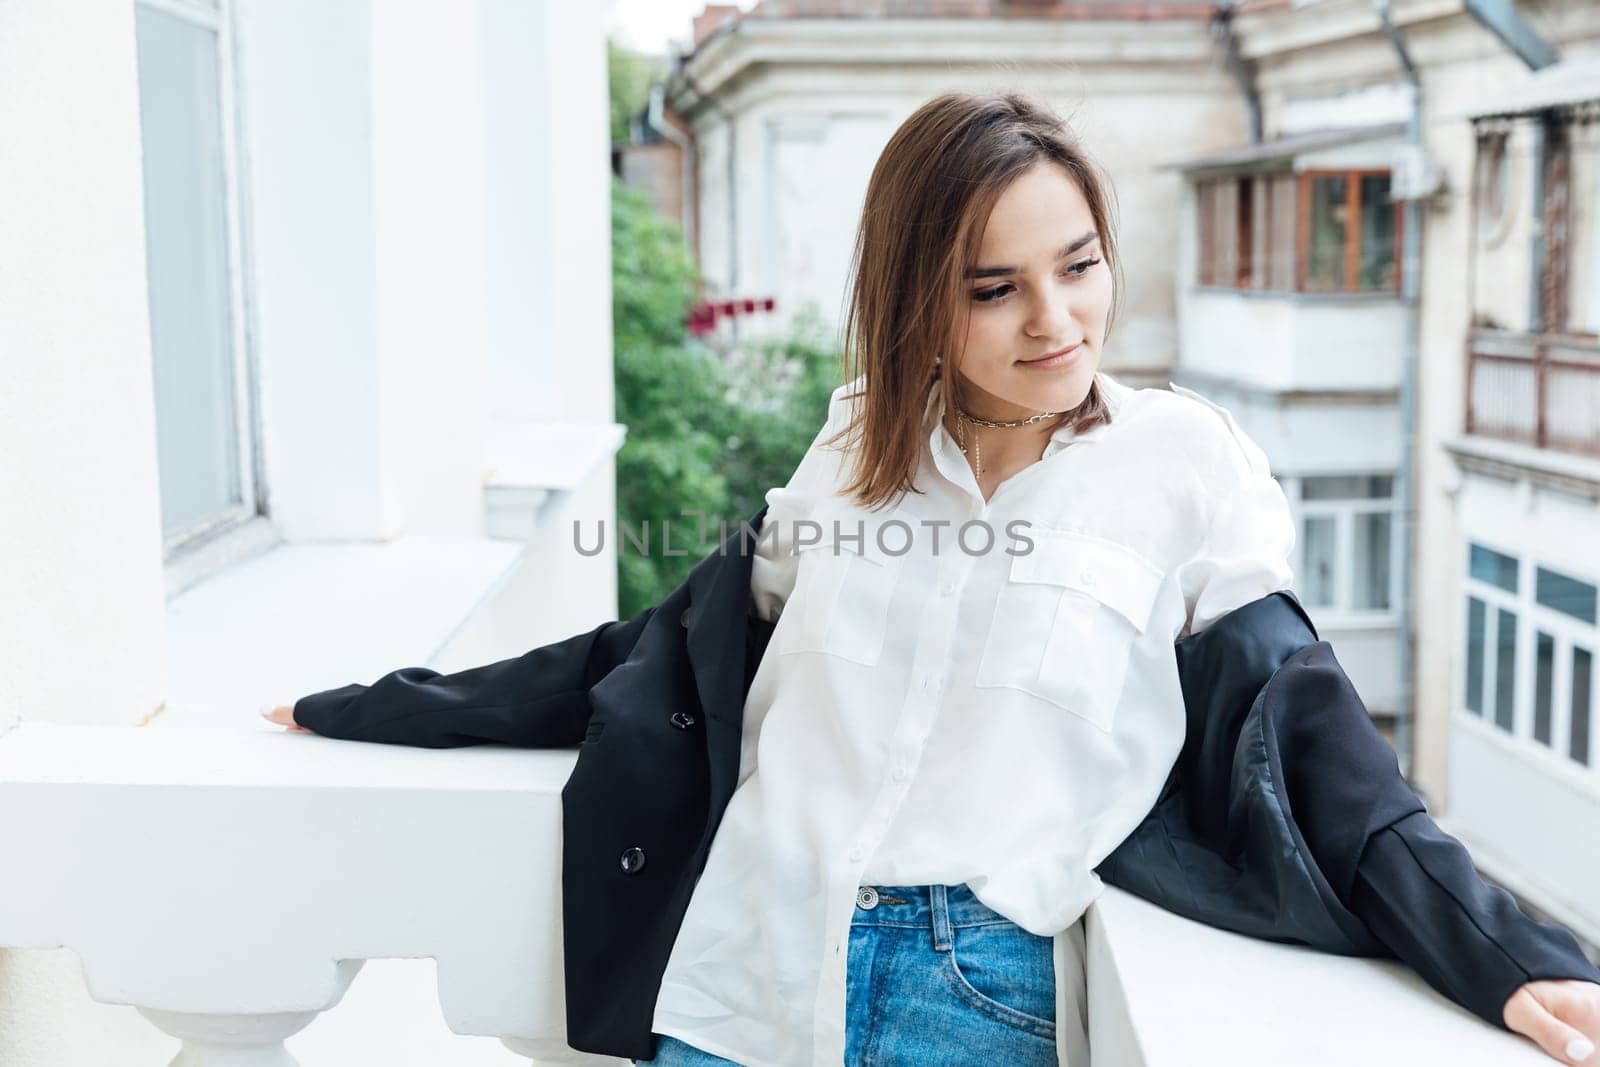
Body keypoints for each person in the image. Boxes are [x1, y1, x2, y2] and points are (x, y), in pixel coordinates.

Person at [267, 91, 1600, 1067]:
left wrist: (1507, 958)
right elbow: (659, 656)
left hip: (981, 992)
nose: (1056, 319)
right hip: (747, 966)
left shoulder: (1183, 465)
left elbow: (1320, 755)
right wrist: (384, 703)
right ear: (919, 300)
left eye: (1078, 266)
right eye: (994, 288)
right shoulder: (857, 443)